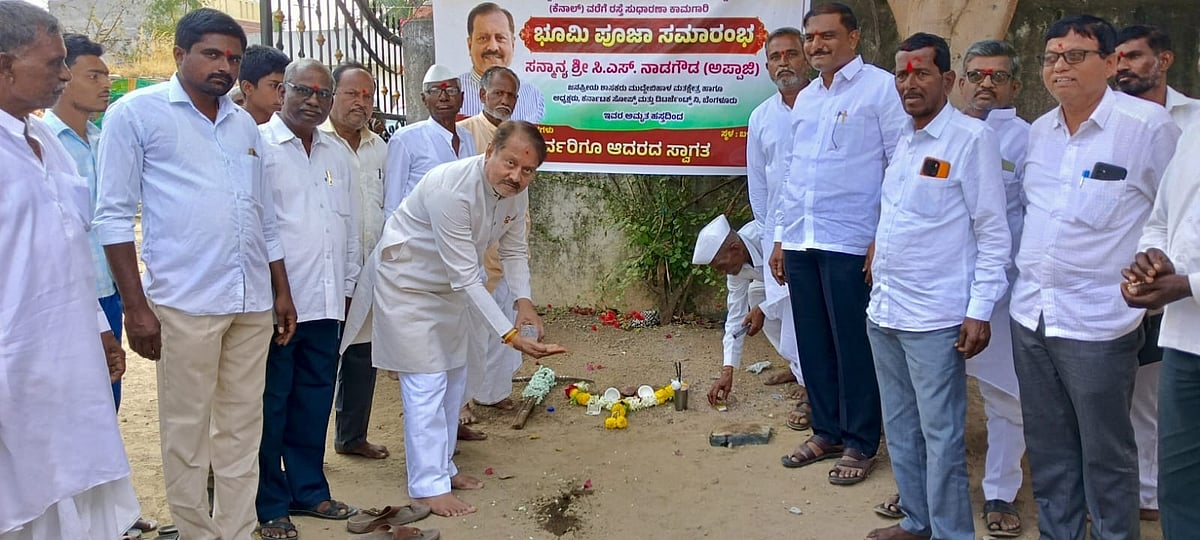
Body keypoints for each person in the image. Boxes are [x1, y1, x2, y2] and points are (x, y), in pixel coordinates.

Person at [94, 8, 299, 540]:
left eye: (233, 58)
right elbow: (112, 216)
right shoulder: (136, 114)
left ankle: (236, 529)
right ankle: (194, 531)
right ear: (180, 55)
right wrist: (137, 308)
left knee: (240, 427)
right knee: (186, 433)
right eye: (212, 54)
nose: (224, 66)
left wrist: (281, 290)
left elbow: (263, 216)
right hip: (186, 301)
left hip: (250, 301)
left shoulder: (243, 124)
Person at [341, 121, 566, 517]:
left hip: (449, 289)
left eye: (527, 170)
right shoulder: (451, 188)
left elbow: (514, 250)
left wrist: (524, 302)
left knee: (454, 378)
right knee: (426, 382)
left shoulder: (516, 194)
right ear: (490, 151)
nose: (516, 176)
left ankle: (442, 469)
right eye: (510, 163)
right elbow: (466, 275)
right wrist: (510, 334)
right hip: (408, 284)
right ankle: (427, 487)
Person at [1011, 15, 1180, 539]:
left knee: (1107, 454)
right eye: (1052, 56)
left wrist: (1156, 275)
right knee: (1049, 447)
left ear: (1109, 63)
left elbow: (1175, 217)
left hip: (1099, 322)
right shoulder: (1040, 132)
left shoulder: (1149, 129)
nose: (1060, 65)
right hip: (1031, 315)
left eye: (1075, 55)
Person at [864, 32, 1010, 540]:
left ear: (947, 79)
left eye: (921, 72)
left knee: (942, 436)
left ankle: (952, 533)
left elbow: (993, 232)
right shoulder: (903, 140)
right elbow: (899, 219)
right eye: (902, 73)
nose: (909, 82)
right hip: (885, 313)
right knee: (901, 429)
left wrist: (979, 310)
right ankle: (917, 520)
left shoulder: (971, 140)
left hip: (935, 318)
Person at [0, 2, 139, 538]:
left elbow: (70, 250)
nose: (64, 74)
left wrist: (101, 329)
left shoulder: (46, 145)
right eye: (54, 62)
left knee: (68, 491)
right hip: (15, 363)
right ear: (5, 65)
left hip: (66, 360)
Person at [771, 2, 906, 485]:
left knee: (854, 345)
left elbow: (898, 165)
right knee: (814, 341)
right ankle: (825, 431)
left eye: (828, 36)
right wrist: (783, 237)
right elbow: (793, 172)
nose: (817, 45)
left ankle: (861, 441)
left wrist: (880, 238)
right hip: (804, 239)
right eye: (812, 38)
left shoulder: (881, 89)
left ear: (854, 38)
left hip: (852, 240)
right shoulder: (806, 97)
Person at [254, 59, 362, 540]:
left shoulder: (337, 155)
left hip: (326, 302)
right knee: (271, 403)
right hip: (280, 306)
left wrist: (346, 289)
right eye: (304, 90)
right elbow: (258, 230)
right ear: (283, 92)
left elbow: (350, 229)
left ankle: (308, 489)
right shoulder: (259, 147)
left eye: (324, 92)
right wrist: (277, 295)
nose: (314, 100)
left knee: (315, 400)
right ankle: (270, 502)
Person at [1115, 24, 1200, 522]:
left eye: (1135, 56)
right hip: (1185, 337)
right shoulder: (1194, 133)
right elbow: (1164, 218)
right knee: (1180, 478)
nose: (1123, 65)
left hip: (1184, 301)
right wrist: (1154, 259)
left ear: (1164, 60)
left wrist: (1188, 283)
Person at [722, 25, 809, 424]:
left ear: (806, 56)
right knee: (781, 313)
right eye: (775, 57)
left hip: (824, 234)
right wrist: (771, 233)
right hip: (778, 236)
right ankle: (805, 381)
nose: (783, 63)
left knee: (815, 318)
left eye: (791, 54)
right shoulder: (761, 117)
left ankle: (818, 390)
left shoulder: (824, 106)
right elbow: (758, 183)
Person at [43, 33, 118, 404]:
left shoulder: (104, 140)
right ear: (62, 75)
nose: (106, 85)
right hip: (65, 297)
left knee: (109, 398)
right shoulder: (41, 142)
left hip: (108, 292)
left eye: (107, 76)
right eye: (93, 76)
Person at [321, 61, 391, 460]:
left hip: (368, 272)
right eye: (352, 93)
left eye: (367, 95)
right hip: (324, 274)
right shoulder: (316, 142)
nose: (361, 103)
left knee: (363, 357)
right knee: (320, 363)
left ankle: (351, 437)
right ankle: (305, 453)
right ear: (333, 95)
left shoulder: (379, 148)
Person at [457, 65, 526, 416]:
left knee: (506, 324)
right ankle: (463, 402)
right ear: (482, 94)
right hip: (471, 253)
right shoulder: (463, 134)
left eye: (511, 94)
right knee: (470, 332)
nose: (504, 100)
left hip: (506, 249)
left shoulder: (519, 137)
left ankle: (494, 392)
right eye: (498, 93)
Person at [695, 216, 803, 416]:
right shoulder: (735, 269)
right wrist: (727, 370)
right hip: (777, 287)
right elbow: (735, 317)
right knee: (755, 294)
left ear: (735, 248)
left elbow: (800, 285)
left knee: (787, 311)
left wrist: (763, 310)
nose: (721, 272)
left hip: (801, 285)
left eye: (720, 265)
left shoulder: (767, 238)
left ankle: (810, 383)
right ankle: (797, 367)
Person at [382, 64, 475, 216]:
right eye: (435, 91)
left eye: (451, 91)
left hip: (459, 232)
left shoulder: (467, 137)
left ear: (462, 98)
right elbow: (392, 203)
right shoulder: (405, 139)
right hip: (419, 236)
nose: (444, 97)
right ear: (424, 99)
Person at [457, 2, 544, 123]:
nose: (493, 47)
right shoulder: (454, 92)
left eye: (500, 38)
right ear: (470, 44)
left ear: (512, 44)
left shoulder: (532, 96)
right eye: (483, 38)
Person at [240, 44, 289, 124]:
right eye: (274, 85)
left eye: (285, 87)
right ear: (247, 87)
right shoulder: (229, 128)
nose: (282, 93)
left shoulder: (293, 128)